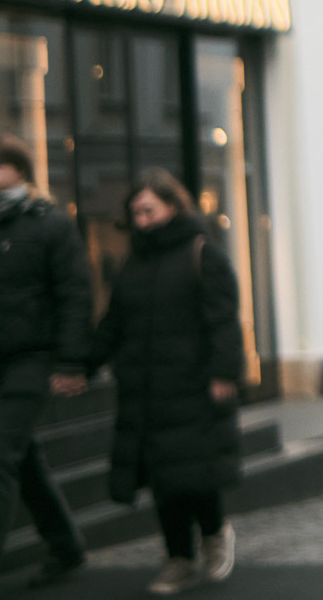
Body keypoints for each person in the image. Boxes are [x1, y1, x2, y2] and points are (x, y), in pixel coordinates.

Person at [0, 135, 91, 598]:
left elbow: (73, 294)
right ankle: (65, 546)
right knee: (20, 458)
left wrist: (70, 361)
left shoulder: (48, 226)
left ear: (21, 172)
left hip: (31, 359)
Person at [90, 169, 243, 595]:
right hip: (144, 390)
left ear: (172, 207)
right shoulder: (133, 263)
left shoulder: (201, 252)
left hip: (191, 385)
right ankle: (178, 559)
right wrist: (79, 364)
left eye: (149, 210)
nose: (141, 220)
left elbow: (222, 319)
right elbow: (114, 323)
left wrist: (223, 373)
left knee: (195, 473)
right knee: (162, 479)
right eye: (135, 212)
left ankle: (213, 534)